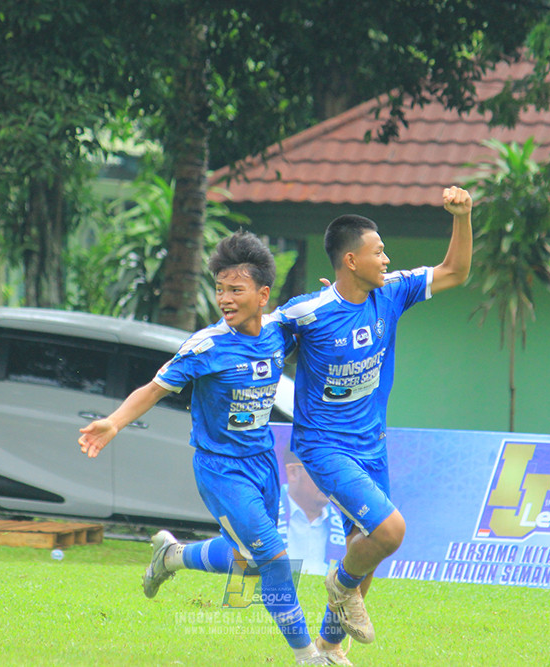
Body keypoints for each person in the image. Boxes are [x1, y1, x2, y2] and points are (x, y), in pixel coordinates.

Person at [78, 230, 331, 666]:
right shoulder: (206, 346)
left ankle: (172, 556)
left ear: (263, 293)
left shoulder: (277, 331)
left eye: (237, 289)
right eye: (220, 290)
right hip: (220, 469)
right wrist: (115, 422)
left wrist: (334, 303)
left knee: (246, 560)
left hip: (262, 464)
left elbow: (319, 312)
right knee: (271, 554)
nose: (226, 299)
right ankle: (308, 656)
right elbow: (154, 388)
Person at [274, 187, 473, 663]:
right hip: (323, 447)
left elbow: (455, 272)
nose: (387, 258)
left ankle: (328, 647)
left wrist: (463, 217)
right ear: (350, 260)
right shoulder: (310, 312)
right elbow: (260, 343)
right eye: (377, 251)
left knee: (367, 552)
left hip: (371, 445)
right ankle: (338, 584)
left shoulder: (390, 293)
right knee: (388, 532)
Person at [277, 446, 346, 576]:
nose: (332, 480)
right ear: (293, 472)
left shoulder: (347, 526)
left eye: (335, 472)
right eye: (323, 471)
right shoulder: (263, 517)